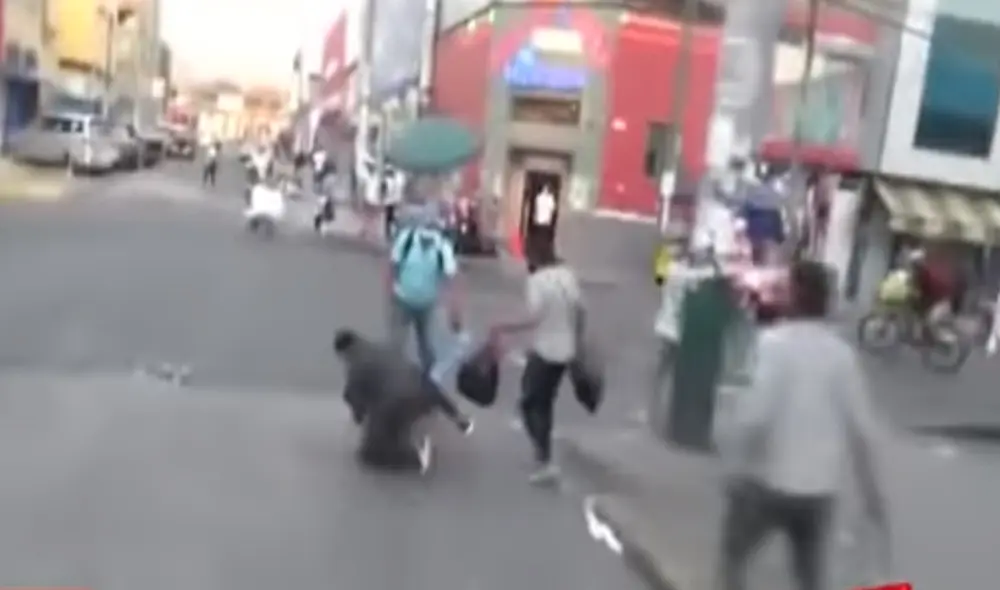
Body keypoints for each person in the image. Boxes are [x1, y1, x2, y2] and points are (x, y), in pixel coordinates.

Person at [717, 260, 888, 590]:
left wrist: (734, 468)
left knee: (733, 556)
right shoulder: (841, 356)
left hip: (768, 483)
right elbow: (862, 429)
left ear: (792, 297)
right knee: (809, 577)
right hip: (818, 491)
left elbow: (755, 416)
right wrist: (874, 496)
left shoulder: (773, 345)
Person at [490, 241, 581, 485]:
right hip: (566, 351)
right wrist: (577, 340)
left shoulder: (537, 282)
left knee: (529, 405)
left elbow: (533, 318)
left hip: (546, 352)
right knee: (545, 403)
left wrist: (503, 327)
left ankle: (544, 459)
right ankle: (543, 455)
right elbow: (579, 311)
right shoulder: (567, 276)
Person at [334, 329, 473, 474]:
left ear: (343, 353)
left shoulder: (356, 364)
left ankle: (413, 458)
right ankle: (415, 435)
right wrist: (455, 414)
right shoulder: (386, 349)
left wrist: (360, 417)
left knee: (368, 455)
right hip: (423, 396)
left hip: (395, 403)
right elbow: (421, 378)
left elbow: (353, 397)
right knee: (396, 420)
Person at [388, 209, 462, 374]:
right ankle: (391, 377)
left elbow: (451, 280)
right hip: (402, 299)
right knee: (395, 343)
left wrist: (454, 311)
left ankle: (428, 379)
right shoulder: (406, 240)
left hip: (426, 304)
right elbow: (392, 266)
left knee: (426, 346)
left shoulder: (442, 248)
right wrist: (390, 292)